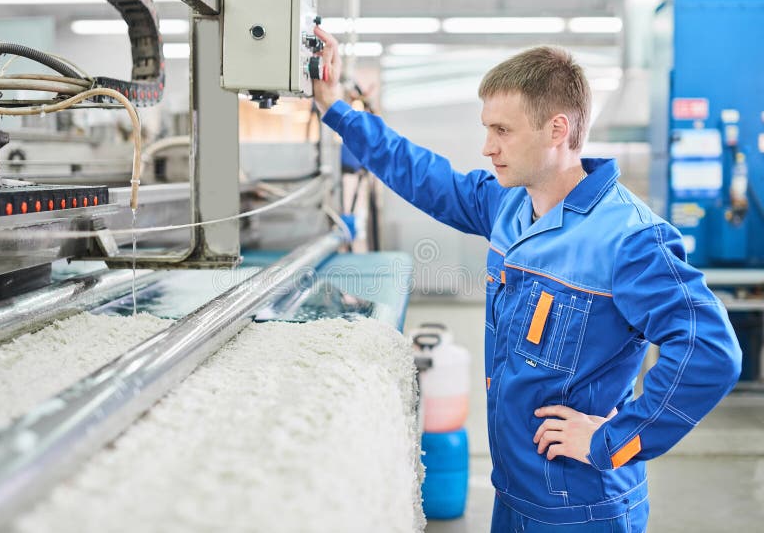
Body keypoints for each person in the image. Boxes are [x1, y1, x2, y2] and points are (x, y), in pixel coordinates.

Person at [311, 27, 742, 532]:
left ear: (557, 130)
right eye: (487, 128)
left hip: (581, 508)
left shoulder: (629, 238)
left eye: (502, 130)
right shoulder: (509, 204)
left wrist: (612, 439)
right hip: (514, 490)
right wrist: (335, 108)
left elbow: (710, 351)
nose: (487, 147)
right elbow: (423, 175)